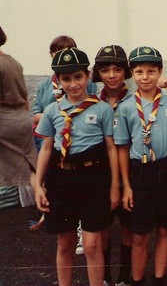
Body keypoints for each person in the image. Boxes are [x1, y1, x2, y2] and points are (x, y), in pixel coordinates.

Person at [33, 47, 120, 286]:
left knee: (92, 244)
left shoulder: (101, 109)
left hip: (94, 178)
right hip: (62, 179)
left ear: (87, 75)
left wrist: (114, 186)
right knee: (66, 242)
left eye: (78, 77)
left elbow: (111, 148)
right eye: (66, 79)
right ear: (58, 80)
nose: (73, 84)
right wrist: (39, 185)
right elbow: (47, 149)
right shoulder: (52, 111)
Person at [114, 46, 167, 286]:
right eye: (140, 71)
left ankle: (160, 278)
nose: (145, 77)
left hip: (166, 169)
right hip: (139, 172)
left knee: (164, 230)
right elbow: (122, 146)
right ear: (132, 73)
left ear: (160, 71)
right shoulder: (126, 107)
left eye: (151, 71)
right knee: (140, 233)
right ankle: (137, 279)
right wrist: (127, 186)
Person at [92, 45, 134, 286]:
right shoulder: (91, 102)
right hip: (101, 174)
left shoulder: (136, 101)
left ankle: (125, 277)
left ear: (126, 72)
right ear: (97, 73)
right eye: (105, 69)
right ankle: (105, 276)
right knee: (103, 228)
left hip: (130, 173)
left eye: (117, 69)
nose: (111, 75)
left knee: (129, 226)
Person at [0, 25, 37, 187]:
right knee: (30, 166)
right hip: (21, 119)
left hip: (4, 120)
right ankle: (45, 207)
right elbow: (26, 98)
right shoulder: (14, 62)